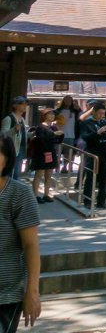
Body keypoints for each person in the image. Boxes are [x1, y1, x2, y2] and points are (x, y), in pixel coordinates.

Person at [0, 134, 41, 331]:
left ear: (7, 158)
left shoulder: (19, 194)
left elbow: (31, 245)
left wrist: (32, 291)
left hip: (5, 295)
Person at [79, 103, 106, 210]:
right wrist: (97, 133)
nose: (101, 115)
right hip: (92, 152)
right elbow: (85, 137)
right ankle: (87, 201)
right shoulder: (86, 123)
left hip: (104, 152)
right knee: (90, 177)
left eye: (103, 113)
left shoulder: (104, 122)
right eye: (99, 113)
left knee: (104, 178)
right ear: (93, 112)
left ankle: (101, 202)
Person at [29, 109, 60, 204]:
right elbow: (41, 138)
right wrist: (53, 134)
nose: (52, 115)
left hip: (51, 151)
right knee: (39, 174)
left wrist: (59, 135)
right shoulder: (40, 127)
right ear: (44, 115)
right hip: (41, 152)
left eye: (53, 114)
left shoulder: (54, 127)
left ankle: (46, 194)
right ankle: (36, 195)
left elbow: (57, 140)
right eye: (49, 114)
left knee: (49, 174)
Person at [1, 98, 29, 181]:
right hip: (11, 150)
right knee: (11, 172)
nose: (24, 106)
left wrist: (33, 133)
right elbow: (2, 135)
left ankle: (12, 188)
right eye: (22, 104)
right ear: (15, 105)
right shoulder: (8, 119)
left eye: (25, 104)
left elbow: (23, 134)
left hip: (21, 149)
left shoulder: (22, 119)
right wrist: (14, 130)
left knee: (16, 173)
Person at [55, 95, 79, 173]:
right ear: (63, 101)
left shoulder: (75, 111)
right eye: (66, 100)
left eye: (69, 100)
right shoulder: (58, 111)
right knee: (57, 152)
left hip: (71, 135)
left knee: (68, 153)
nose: (68, 101)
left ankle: (65, 167)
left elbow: (81, 118)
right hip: (59, 135)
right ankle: (57, 167)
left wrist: (78, 108)